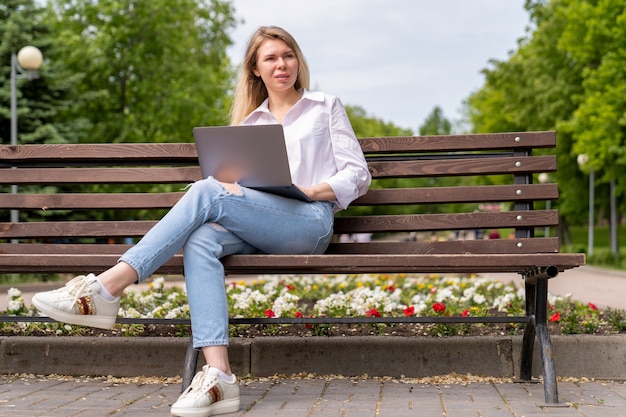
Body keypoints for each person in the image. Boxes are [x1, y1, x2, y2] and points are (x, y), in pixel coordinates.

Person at [32, 25, 371, 417]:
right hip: (257, 221)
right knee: (202, 240)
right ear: (255, 70)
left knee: (206, 190)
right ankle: (219, 377)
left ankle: (106, 289)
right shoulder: (249, 124)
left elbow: (358, 174)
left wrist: (311, 190)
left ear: (298, 60)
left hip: (309, 221)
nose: (282, 64)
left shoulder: (325, 106)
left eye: (288, 55)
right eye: (271, 58)